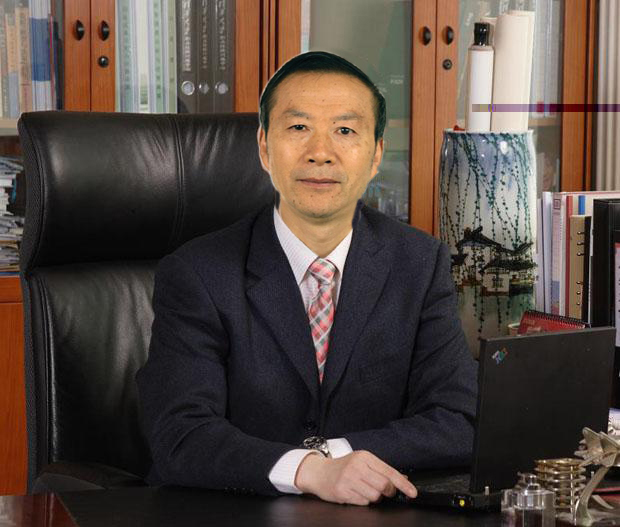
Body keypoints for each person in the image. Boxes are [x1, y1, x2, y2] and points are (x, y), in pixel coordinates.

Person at [136, 51, 477, 506]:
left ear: (376, 154)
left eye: (345, 131)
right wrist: (308, 471)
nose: (320, 152)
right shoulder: (199, 272)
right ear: (264, 147)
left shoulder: (418, 263)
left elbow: (460, 419)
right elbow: (180, 434)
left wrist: (336, 457)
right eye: (298, 128)